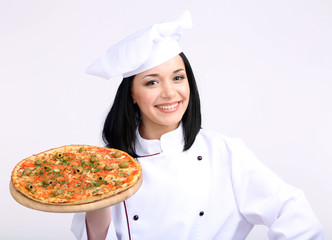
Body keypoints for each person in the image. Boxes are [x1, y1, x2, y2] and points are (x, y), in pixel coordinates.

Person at [71, 10, 324, 240]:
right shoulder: (108, 166)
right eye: (152, 82)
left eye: (178, 78)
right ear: (131, 95)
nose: (170, 93)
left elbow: (293, 212)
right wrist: (99, 196)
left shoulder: (224, 152)